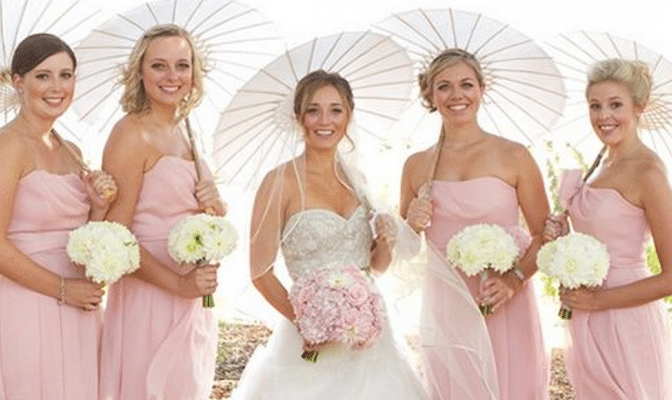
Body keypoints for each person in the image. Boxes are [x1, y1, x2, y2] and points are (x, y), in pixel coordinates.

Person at [229, 70, 427, 400]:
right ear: (299, 117)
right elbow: (260, 272)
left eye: (336, 110)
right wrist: (307, 322)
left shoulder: (357, 179)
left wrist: (385, 244)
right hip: (310, 338)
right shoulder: (279, 182)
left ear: (348, 116)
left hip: (370, 338)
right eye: (313, 110)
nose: (325, 120)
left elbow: (375, 267)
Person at [400, 48, 549, 400]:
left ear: (481, 89)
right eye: (444, 86)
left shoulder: (515, 156)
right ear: (430, 95)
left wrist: (513, 280)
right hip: (447, 306)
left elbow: (546, 236)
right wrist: (411, 224)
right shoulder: (416, 166)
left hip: (505, 302)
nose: (457, 95)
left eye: (466, 84)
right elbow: (402, 252)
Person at [99, 24, 226, 400]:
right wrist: (179, 285)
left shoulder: (188, 130)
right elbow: (116, 236)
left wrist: (215, 206)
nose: (172, 76)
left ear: (194, 72)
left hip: (193, 298)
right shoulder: (130, 133)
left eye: (182, 65)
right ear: (140, 71)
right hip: (150, 297)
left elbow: (193, 211)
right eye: (159, 66)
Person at [544, 58, 672, 399]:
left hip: (627, 320)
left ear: (638, 107)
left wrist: (598, 300)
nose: (603, 116)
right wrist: (562, 235)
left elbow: (671, 278)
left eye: (615, 105)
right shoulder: (601, 163)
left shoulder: (648, 172)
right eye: (595, 105)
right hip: (588, 315)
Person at [0, 33, 117, 400]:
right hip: (26, 300)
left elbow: (83, 240)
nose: (57, 87)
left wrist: (98, 206)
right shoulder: (8, 145)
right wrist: (63, 289)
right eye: (43, 76)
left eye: (66, 75)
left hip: (78, 305)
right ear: (18, 82)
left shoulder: (71, 150)